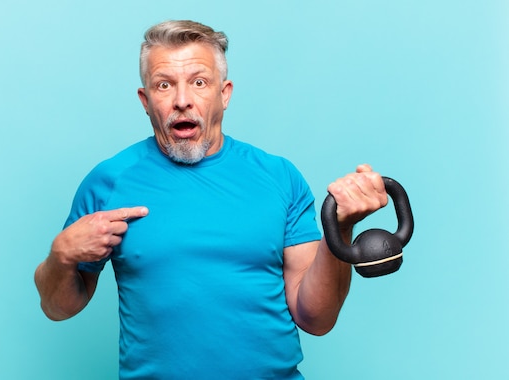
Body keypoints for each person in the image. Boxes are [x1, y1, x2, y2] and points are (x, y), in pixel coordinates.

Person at [34, 20, 388, 379]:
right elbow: (57, 307)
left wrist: (339, 227)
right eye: (164, 85)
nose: (182, 100)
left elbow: (317, 318)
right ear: (145, 100)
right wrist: (60, 256)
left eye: (199, 82)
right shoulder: (109, 182)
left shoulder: (279, 177)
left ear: (225, 93)